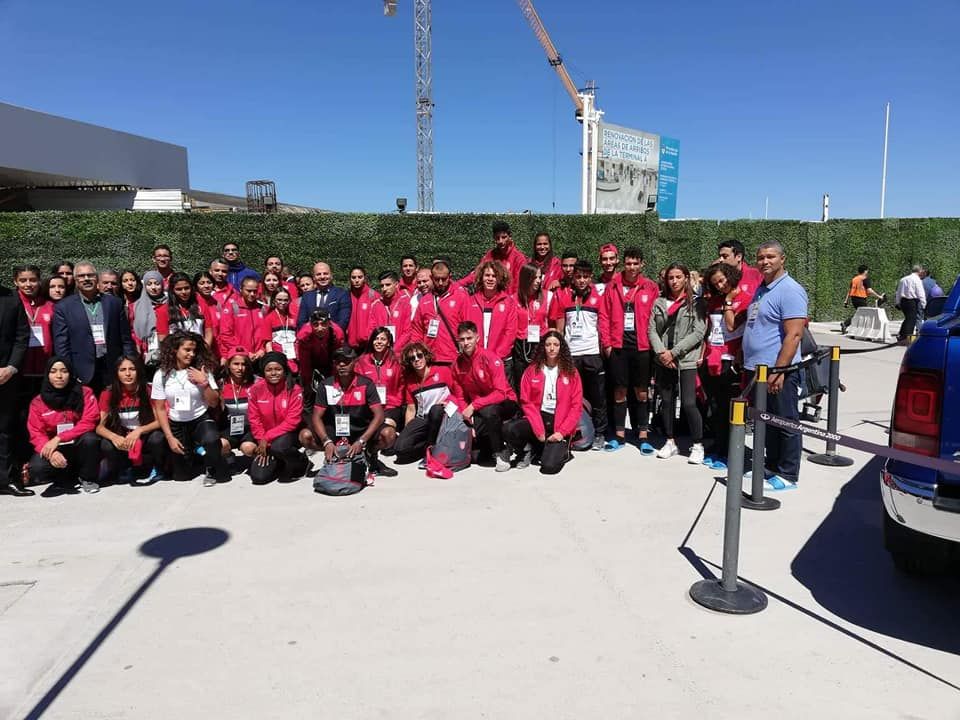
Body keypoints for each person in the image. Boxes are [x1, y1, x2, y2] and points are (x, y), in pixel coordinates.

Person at [742, 241, 808, 489]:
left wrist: (779, 371)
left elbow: (794, 335)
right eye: (761, 257)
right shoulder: (762, 289)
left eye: (770, 256)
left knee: (786, 422)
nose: (765, 261)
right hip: (758, 370)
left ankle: (788, 474)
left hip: (779, 371)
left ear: (782, 259)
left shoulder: (790, 290)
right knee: (768, 421)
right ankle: (771, 466)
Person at [600, 247, 660, 452]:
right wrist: (607, 344)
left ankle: (643, 435)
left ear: (642, 264)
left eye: (636, 263)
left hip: (642, 347)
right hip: (618, 347)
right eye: (628, 263)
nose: (632, 267)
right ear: (623, 264)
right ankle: (619, 435)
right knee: (619, 391)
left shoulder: (650, 287)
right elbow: (604, 316)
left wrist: (654, 345)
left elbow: (657, 318)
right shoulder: (613, 286)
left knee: (641, 392)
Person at [151, 332, 228, 486]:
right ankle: (195, 453)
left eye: (194, 350)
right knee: (181, 476)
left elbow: (214, 403)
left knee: (211, 439)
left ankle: (211, 466)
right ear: (175, 350)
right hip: (177, 423)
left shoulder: (202, 371)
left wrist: (204, 383)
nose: (191, 354)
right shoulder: (161, 375)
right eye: (187, 350)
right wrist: (170, 438)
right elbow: (160, 409)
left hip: (200, 419)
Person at [502, 330, 583, 475]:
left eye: (556, 345)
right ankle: (527, 449)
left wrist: (561, 433)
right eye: (548, 344)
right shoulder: (531, 371)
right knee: (509, 429)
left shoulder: (571, 372)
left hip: (559, 423)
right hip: (538, 418)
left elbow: (576, 407)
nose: (552, 348)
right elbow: (526, 402)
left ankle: (563, 450)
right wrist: (538, 429)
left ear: (561, 347)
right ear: (543, 347)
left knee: (549, 467)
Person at [649, 263, 707, 463]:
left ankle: (697, 444)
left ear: (686, 278)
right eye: (670, 278)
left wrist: (673, 353)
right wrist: (662, 353)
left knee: (689, 403)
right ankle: (670, 441)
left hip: (686, 360)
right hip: (663, 360)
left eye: (678, 277)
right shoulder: (659, 302)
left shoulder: (696, 303)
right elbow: (652, 330)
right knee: (666, 402)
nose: (674, 281)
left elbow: (698, 332)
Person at [549, 260, 607, 450]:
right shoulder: (564, 296)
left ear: (591, 278)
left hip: (592, 353)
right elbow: (560, 328)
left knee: (598, 396)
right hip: (572, 355)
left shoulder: (598, 297)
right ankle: (572, 431)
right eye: (578, 277)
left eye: (585, 277)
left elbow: (602, 325)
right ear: (573, 278)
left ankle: (600, 433)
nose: (582, 280)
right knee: (571, 397)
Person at [52, 261, 136, 393]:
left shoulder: (114, 303)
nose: (86, 279)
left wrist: (130, 363)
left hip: (111, 367)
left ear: (96, 278)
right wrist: (69, 370)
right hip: (81, 371)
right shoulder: (63, 307)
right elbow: (61, 344)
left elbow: (125, 338)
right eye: (81, 276)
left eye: (90, 275)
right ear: (76, 280)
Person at [700, 262, 752, 467]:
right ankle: (719, 446)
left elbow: (731, 326)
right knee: (715, 406)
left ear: (730, 275)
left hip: (732, 360)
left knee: (728, 407)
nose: (720, 286)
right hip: (712, 358)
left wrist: (729, 301)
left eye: (722, 280)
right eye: (715, 283)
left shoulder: (746, 299)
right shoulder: (714, 301)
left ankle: (730, 452)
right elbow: (709, 330)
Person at [302, 346, 385, 474]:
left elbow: (379, 415)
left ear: (355, 362)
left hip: (360, 430)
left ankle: (369, 453)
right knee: (305, 436)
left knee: (388, 434)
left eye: (346, 361)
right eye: (338, 362)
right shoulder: (325, 385)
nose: (341, 365)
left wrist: (362, 440)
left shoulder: (366, 384)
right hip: (334, 432)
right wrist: (326, 441)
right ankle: (334, 453)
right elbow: (316, 416)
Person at [27, 357, 101, 495]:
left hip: (78, 444)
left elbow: (89, 421)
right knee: (37, 468)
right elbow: (36, 432)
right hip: (55, 448)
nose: (59, 376)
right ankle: (62, 478)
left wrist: (60, 437)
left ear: (70, 373)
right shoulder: (38, 402)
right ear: (47, 375)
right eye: (53, 371)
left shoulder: (85, 393)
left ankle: (87, 478)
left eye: (64, 371)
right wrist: (51, 453)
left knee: (90, 439)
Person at [453, 321, 518, 471]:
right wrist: (468, 419)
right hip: (480, 408)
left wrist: (474, 406)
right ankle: (500, 446)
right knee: (479, 458)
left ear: (477, 338)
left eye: (469, 338)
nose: (466, 343)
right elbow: (460, 396)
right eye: (462, 339)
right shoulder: (457, 365)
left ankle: (500, 452)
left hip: (505, 402)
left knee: (489, 411)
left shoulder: (490, 358)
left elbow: (501, 392)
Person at [96, 355, 166, 485]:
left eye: (132, 369)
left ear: (138, 371)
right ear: (116, 373)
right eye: (122, 370)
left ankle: (156, 467)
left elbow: (160, 421)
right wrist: (114, 437)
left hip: (145, 436)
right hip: (123, 438)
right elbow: (99, 427)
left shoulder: (148, 390)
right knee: (106, 444)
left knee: (157, 438)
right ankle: (123, 469)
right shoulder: (108, 394)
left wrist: (140, 430)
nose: (128, 374)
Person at [392, 342, 464, 465]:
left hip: (443, 415)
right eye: (412, 358)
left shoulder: (443, 371)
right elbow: (411, 409)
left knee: (436, 410)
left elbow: (458, 394)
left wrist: (461, 414)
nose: (417, 360)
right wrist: (408, 430)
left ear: (426, 356)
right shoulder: (410, 381)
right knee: (400, 449)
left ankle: (431, 452)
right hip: (424, 418)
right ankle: (427, 446)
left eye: (419, 355)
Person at [247, 352, 309, 484]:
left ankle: (302, 462)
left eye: (278, 369)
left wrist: (267, 438)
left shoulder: (294, 389)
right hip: (264, 438)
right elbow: (254, 419)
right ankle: (279, 461)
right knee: (259, 478)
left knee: (279, 447)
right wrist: (261, 439)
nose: (273, 373)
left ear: (284, 370)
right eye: (269, 370)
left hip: (288, 434)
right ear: (263, 372)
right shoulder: (255, 389)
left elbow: (292, 421)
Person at [356, 327, 404, 474]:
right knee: (372, 425)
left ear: (389, 342)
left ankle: (370, 451)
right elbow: (356, 386)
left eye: (383, 339)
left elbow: (401, 385)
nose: (379, 342)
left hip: (390, 406)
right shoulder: (362, 362)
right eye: (376, 338)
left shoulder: (396, 362)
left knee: (388, 434)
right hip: (368, 408)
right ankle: (371, 459)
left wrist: (395, 402)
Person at [0, 280, 29, 496]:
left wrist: (10, 368)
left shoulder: (12, 298)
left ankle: (6, 479)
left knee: (5, 430)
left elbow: (22, 336)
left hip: (5, 377)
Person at [409, 261, 470, 365]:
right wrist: (417, 352)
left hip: (454, 357)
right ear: (432, 278)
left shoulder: (461, 296)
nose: (440, 283)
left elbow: (468, 326)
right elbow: (417, 329)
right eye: (437, 279)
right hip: (430, 358)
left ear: (450, 276)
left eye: (444, 279)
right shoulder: (425, 300)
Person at [467, 260, 518, 378]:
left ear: (499, 279)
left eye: (494, 276)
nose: (490, 279)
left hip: (501, 361)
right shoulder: (470, 301)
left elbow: (510, 333)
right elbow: (467, 330)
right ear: (481, 277)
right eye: (487, 275)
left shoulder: (508, 303)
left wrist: (495, 357)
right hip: (475, 360)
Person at [295, 308, 346, 409]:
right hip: (312, 361)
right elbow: (305, 364)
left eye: (324, 324)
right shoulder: (304, 335)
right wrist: (308, 385)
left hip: (329, 360)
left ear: (329, 323)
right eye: (315, 324)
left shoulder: (337, 333)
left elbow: (337, 359)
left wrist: (335, 381)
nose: (320, 328)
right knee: (309, 391)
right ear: (311, 324)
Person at [460, 220, 528, 294]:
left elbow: (519, 287)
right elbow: (477, 273)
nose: (500, 241)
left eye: (504, 237)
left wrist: (510, 300)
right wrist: (458, 284)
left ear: (510, 236)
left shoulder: (519, 259)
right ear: (494, 238)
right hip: (490, 297)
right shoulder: (490, 255)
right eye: (497, 238)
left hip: (509, 299)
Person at [512, 263, 549, 392]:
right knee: (521, 382)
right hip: (520, 344)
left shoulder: (547, 296)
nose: (538, 281)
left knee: (539, 381)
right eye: (535, 278)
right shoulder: (513, 299)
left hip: (540, 342)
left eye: (539, 277)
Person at [156, 272, 215, 348]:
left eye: (186, 288)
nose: (184, 292)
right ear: (172, 290)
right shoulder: (163, 310)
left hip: (200, 351)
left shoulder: (201, 304)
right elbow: (163, 338)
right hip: (176, 352)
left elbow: (208, 331)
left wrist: (205, 350)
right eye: (179, 289)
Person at [218, 348, 256, 462]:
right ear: (228, 365)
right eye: (236, 364)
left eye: (244, 364)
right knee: (221, 444)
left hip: (251, 428)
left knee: (248, 448)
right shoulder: (221, 384)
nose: (240, 368)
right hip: (230, 427)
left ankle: (258, 462)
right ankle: (229, 459)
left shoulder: (257, 383)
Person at [218, 277, 266, 363]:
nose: (252, 294)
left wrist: (263, 349)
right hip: (239, 357)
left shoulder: (262, 308)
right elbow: (225, 335)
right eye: (248, 291)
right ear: (241, 289)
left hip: (260, 357)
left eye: (255, 291)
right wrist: (244, 352)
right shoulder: (232, 308)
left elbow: (268, 333)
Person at [296, 262, 351, 332]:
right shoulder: (307, 296)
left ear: (331, 275)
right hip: (311, 337)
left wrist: (327, 335)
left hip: (334, 337)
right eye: (318, 274)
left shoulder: (342, 294)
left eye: (325, 273)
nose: (322, 277)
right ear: (314, 277)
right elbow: (301, 321)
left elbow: (343, 321)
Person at [257, 287, 299, 371]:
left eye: (285, 300)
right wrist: (272, 359)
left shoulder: (294, 317)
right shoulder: (269, 318)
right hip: (278, 359)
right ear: (274, 300)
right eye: (279, 300)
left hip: (294, 357)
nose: (282, 303)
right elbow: (268, 343)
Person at [131, 270, 166, 368]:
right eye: (149, 284)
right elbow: (133, 330)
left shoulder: (169, 304)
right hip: (145, 351)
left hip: (167, 349)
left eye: (157, 284)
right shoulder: (136, 306)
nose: (153, 287)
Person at [371, 271, 412, 352]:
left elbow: (407, 331)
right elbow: (372, 330)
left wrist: (394, 349)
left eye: (388, 285)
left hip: (399, 352)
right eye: (382, 286)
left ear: (396, 285)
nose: (384, 289)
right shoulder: (376, 305)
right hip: (380, 352)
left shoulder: (405, 303)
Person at [346, 265, 381, 351]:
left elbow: (378, 320)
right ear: (350, 279)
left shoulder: (373, 296)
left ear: (365, 278)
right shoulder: (346, 296)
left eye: (360, 277)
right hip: (350, 345)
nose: (357, 280)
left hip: (368, 344)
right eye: (353, 277)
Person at [842, 265, 885, 332]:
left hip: (853, 298)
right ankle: (846, 324)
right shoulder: (865, 279)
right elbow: (869, 290)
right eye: (867, 270)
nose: (867, 272)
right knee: (863, 314)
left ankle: (847, 324)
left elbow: (849, 291)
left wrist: (846, 301)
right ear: (865, 271)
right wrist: (879, 296)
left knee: (860, 313)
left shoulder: (854, 279)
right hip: (860, 299)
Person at [895, 265, 926, 342]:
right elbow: (920, 293)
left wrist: (897, 302)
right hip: (912, 301)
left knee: (907, 318)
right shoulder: (917, 280)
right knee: (911, 320)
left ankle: (901, 335)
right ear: (919, 271)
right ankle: (907, 337)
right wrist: (924, 304)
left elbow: (898, 292)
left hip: (903, 301)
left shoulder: (903, 279)